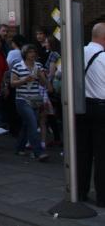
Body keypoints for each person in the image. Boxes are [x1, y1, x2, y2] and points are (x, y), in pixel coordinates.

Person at [76, 22, 105, 207]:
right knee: (102, 154)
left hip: (81, 107)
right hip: (101, 109)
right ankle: (102, 197)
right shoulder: (104, 57)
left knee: (82, 152)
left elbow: (61, 74)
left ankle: (80, 192)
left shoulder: (78, 52)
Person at [11, 44, 49, 162]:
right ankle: (38, 152)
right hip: (22, 99)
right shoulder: (17, 66)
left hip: (35, 99)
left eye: (34, 52)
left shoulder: (38, 66)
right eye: (30, 52)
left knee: (27, 124)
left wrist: (41, 76)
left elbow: (44, 84)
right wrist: (24, 80)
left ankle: (19, 147)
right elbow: (13, 83)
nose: (32, 54)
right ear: (25, 54)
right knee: (33, 123)